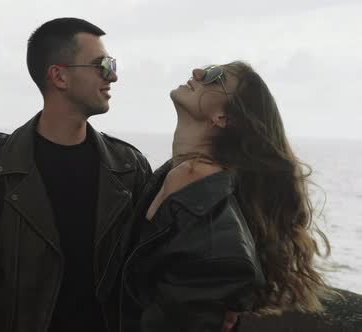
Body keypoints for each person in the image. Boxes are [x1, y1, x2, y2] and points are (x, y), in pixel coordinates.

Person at [0, 17, 152, 332]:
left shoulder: (130, 167)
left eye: (112, 64)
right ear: (59, 76)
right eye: (101, 64)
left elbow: (149, 274)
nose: (112, 75)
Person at [121, 62, 333, 332]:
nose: (197, 72)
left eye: (213, 76)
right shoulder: (182, 174)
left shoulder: (193, 176)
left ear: (222, 117)